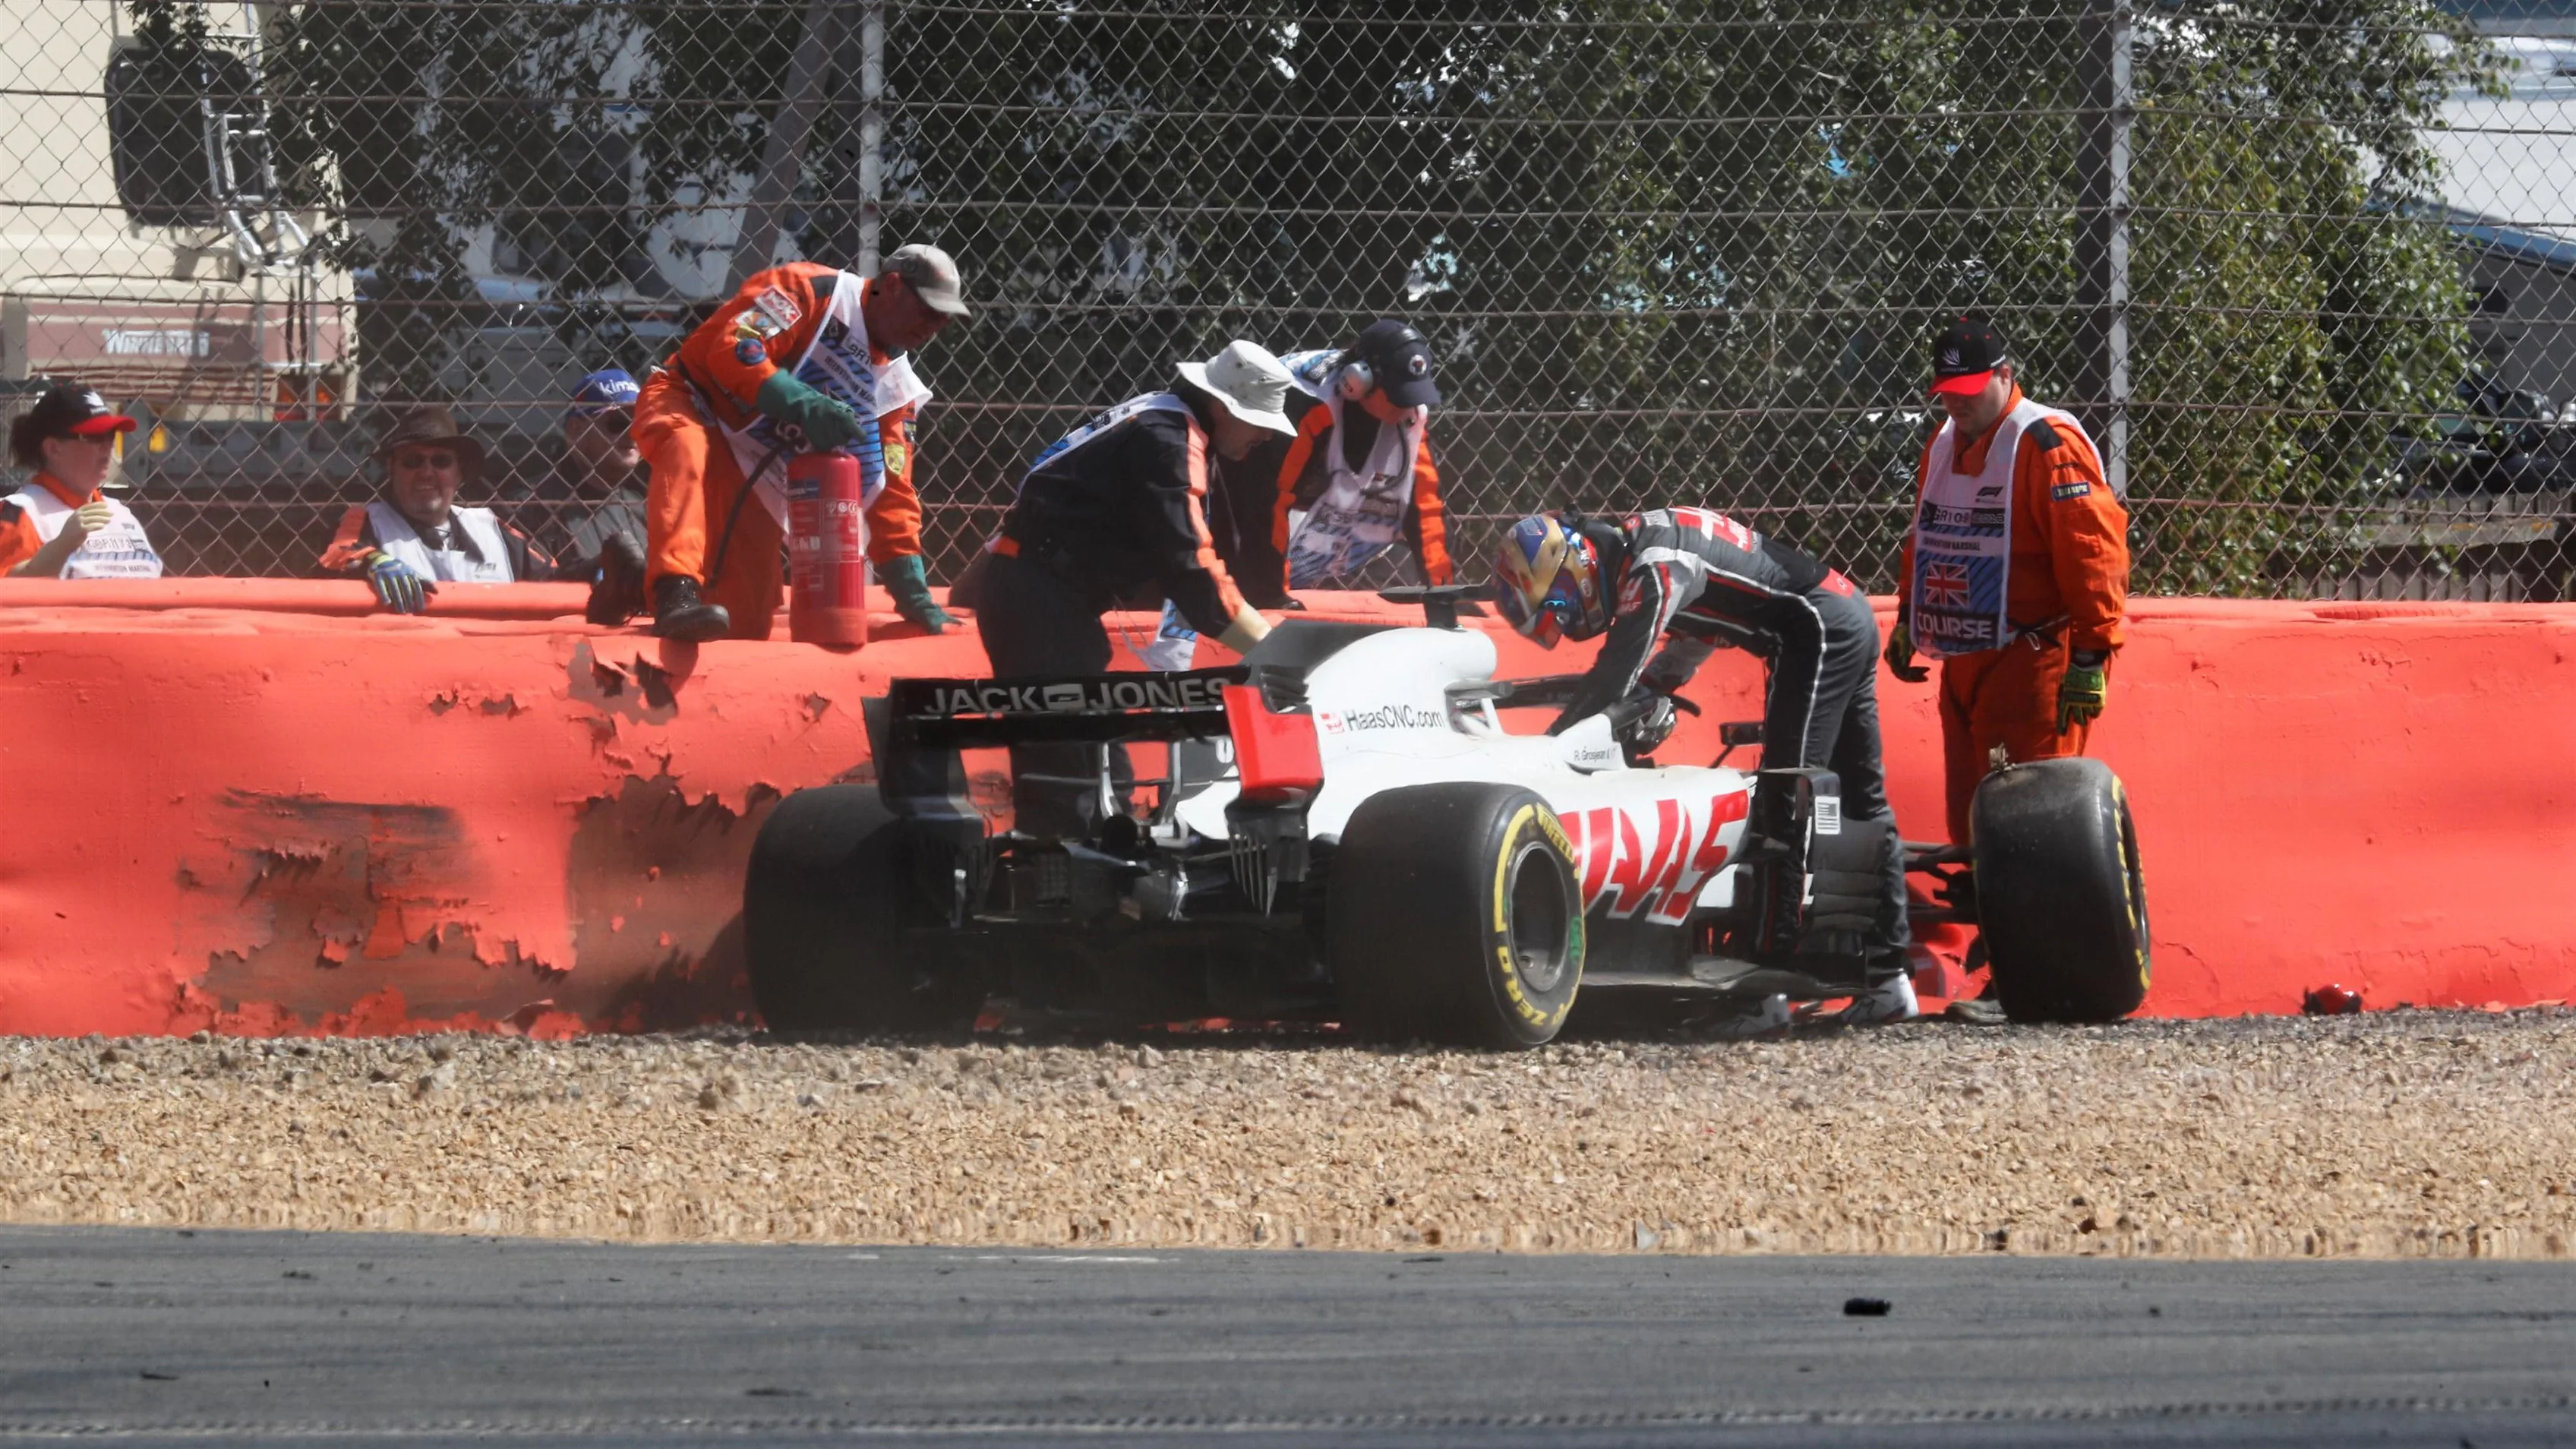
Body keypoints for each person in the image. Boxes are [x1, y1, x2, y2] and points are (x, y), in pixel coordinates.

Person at [1493, 506, 1916, 1024]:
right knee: (1861, 798)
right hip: (1840, 617)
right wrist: (1652, 692)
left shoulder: (1653, 563)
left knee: (1785, 799)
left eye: (1556, 606)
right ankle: (1891, 981)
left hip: (1817, 630)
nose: (1563, 622)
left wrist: (1548, 754)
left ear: (1575, 564)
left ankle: (1765, 991)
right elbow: (1696, 640)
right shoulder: (1654, 551)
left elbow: (1614, 675)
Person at [977, 341, 1292, 837]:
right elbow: (1188, 561)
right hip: (1039, 600)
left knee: (1104, 773)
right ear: (1223, 407)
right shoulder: (1168, 440)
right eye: (1259, 423)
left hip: (1045, 598)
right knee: (1072, 776)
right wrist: (1271, 648)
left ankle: (1097, 891)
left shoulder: (1160, 418)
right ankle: (1054, 898)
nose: (1264, 439)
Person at [1883, 316, 2132, 847]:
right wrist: (1909, 616)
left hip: (2034, 657)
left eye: (1970, 390)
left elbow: (2093, 552)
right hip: (1965, 661)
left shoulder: (2046, 444)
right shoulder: (1944, 443)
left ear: (2005, 376)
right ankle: (1986, 923)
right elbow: (1928, 535)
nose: (1957, 403)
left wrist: (2090, 656)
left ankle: (2034, 929)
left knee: (2027, 820)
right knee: (1971, 817)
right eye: (1947, 392)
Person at [638, 244, 966, 642]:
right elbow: (735, 346)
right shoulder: (809, 291)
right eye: (928, 311)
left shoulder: (895, 393)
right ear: (892, 286)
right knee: (689, 447)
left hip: (752, 462)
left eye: (943, 320)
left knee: (745, 624)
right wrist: (803, 403)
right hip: (689, 397)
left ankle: (628, 580)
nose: (932, 327)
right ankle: (675, 591)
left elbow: (891, 490)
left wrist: (914, 594)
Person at [1208, 317, 1453, 607]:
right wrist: (1270, 597)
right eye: (1396, 397)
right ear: (1358, 381)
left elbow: (1427, 510)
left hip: (1314, 516)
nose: (1406, 407)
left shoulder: (1409, 415)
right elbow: (1267, 499)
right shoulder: (1307, 400)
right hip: (1234, 495)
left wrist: (1445, 594)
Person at [317, 406, 554, 613]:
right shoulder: (367, 521)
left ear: (459, 471)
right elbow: (338, 554)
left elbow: (552, 575)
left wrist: (591, 569)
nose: (426, 472)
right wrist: (374, 561)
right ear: (392, 469)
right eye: (413, 461)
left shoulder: (491, 527)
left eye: (441, 461)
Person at [507, 368, 652, 623]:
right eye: (617, 424)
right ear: (576, 430)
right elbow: (534, 589)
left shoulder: (644, 507)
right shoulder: (531, 505)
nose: (632, 435)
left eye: (639, 423)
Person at [1, 380, 162, 578]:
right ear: (53, 448)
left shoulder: (121, 514)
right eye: (93, 436)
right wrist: (61, 547)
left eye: (110, 434)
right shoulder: (20, 514)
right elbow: (8, 594)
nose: (106, 446)